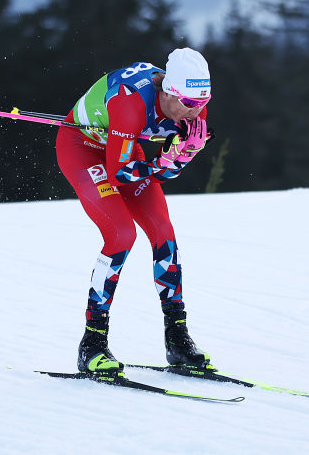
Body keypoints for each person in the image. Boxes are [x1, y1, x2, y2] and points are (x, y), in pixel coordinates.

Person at [55, 47, 213, 375]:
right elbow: (120, 174)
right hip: (83, 148)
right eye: (188, 104)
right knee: (122, 234)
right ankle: (92, 344)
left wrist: (182, 157)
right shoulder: (131, 101)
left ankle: (177, 339)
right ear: (169, 92)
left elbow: (164, 174)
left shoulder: (192, 106)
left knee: (163, 233)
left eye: (202, 104)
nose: (194, 113)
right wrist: (162, 161)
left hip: (125, 151)